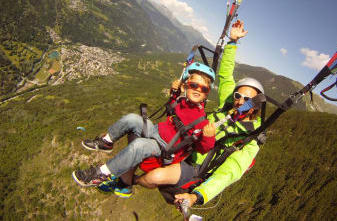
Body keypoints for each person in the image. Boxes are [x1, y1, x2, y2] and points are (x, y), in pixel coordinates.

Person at [102, 20, 266, 208]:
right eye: (238, 95)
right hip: (184, 146)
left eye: (248, 100)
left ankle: (132, 181)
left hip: (196, 166)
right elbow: (226, 75)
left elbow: (230, 173)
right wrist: (233, 42)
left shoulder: (250, 138)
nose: (240, 101)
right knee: (136, 132)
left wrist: (198, 195)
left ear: (256, 106)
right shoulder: (227, 107)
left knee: (154, 176)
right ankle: (124, 181)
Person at [72, 62, 217, 196]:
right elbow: (172, 107)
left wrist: (209, 137)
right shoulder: (182, 101)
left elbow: (202, 148)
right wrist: (174, 91)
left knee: (139, 146)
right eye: (194, 85)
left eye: (203, 88)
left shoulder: (201, 121)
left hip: (164, 148)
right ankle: (106, 141)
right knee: (132, 118)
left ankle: (101, 173)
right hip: (155, 131)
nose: (198, 90)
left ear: (207, 93)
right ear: (186, 86)